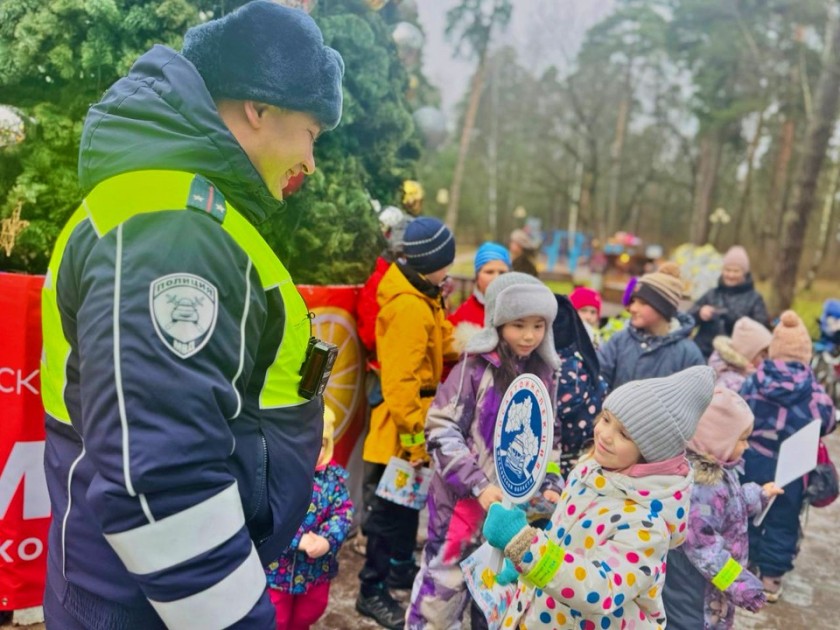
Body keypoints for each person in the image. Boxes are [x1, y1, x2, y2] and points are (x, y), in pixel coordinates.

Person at [38, 3, 344, 628]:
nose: (311, 164)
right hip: (150, 603)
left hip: (153, 595)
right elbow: (156, 481)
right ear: (259, 107)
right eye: (311, 134)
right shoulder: (173, 229)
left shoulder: (188, 211)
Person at [482, 366, 717, 629]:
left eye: (624, 434)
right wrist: (525, 565)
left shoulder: (648, 524)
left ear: (651, 454)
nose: (604, 435)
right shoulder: (588, 471)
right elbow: (561, 538)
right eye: (606, 419)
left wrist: (526, 547)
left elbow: (600, 588)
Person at [407, 272, 561, 629]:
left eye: (538, 326)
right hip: (461, 506)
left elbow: (546, 439)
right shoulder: (474, 368)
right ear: (497, 322)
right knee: (441, 591)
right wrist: (477, 483)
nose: (528, 336)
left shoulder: (545, 374)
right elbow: (441, 428)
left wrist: (550, 480)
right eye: (518, 324)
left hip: (512, 514)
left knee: (497, 601)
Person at [356, 216, 460, 630]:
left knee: (405, 509)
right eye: (445, 261)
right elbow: (399, 382)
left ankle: (399, 569)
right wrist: (416, 443)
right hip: (400, 433)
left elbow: (442, 340)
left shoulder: (427, 296)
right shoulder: (409, 308)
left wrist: (473, 341)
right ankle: (371, 589)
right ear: (428, 262)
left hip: (415, 426)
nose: (450, 269)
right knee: (386, 515)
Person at [663, 388, 782, 629]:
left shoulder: (719, 473)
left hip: (711, 589)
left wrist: (759, 494)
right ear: (717, 438)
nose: (747, 446)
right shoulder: (700, 487)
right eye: (742, 439)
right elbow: (704, 552)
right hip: (695, 591)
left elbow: (730, 505)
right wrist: (742, 585)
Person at [739, 310, 837, 602]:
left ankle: (748, 563)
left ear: (774, 351)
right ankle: (771, 578)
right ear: (805, 355)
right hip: (793, 465)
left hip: (753, 458)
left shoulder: (754, 380)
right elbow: (828, 420)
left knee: (750, 509)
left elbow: (740, 411)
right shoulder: (814, 390)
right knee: (784, 519)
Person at [264, 406, 353, 629]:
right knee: (276, 617)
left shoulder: (333, 480)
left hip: (315, 569)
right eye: (307, 442)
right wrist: (294, 539)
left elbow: (343, 512)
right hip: (277, 570)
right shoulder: (277, 475)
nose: (313, 451)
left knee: (311, 610)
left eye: (320, 444)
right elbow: (265, 516)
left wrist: (327, 540)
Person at [598, 262, 705, 389]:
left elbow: (695, 399)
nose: (632, 308)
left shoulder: (688, 353)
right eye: (633, 301)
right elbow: (600, 382)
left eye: (643, 303)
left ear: (662, 308)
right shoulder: (619, 341)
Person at [552, 293, 608, 477]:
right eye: (583, 310)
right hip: (581, 465)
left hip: (556, 466)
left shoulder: (560, 369)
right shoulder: (584, 362)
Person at [689, 246, 770, 359]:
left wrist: (732, 318)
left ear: (745, 273)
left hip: (736, 359)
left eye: (736, 271)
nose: (731, 275)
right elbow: (687, 319)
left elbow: (762, 329)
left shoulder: (755, 299)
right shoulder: (711, 294)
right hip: (702, 354)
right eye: (727, 270)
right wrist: (699, 313)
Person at [448, 241, 511, 329]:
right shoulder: (462, 317)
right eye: (489, 272)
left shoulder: (521, 311)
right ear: (477, 276)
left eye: (502, 272)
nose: (496, 278)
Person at [708, 316, 773, 392]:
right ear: (747, 355)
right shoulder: (733, 383)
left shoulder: (743, 374)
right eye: (763, 356)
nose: (767, 360)